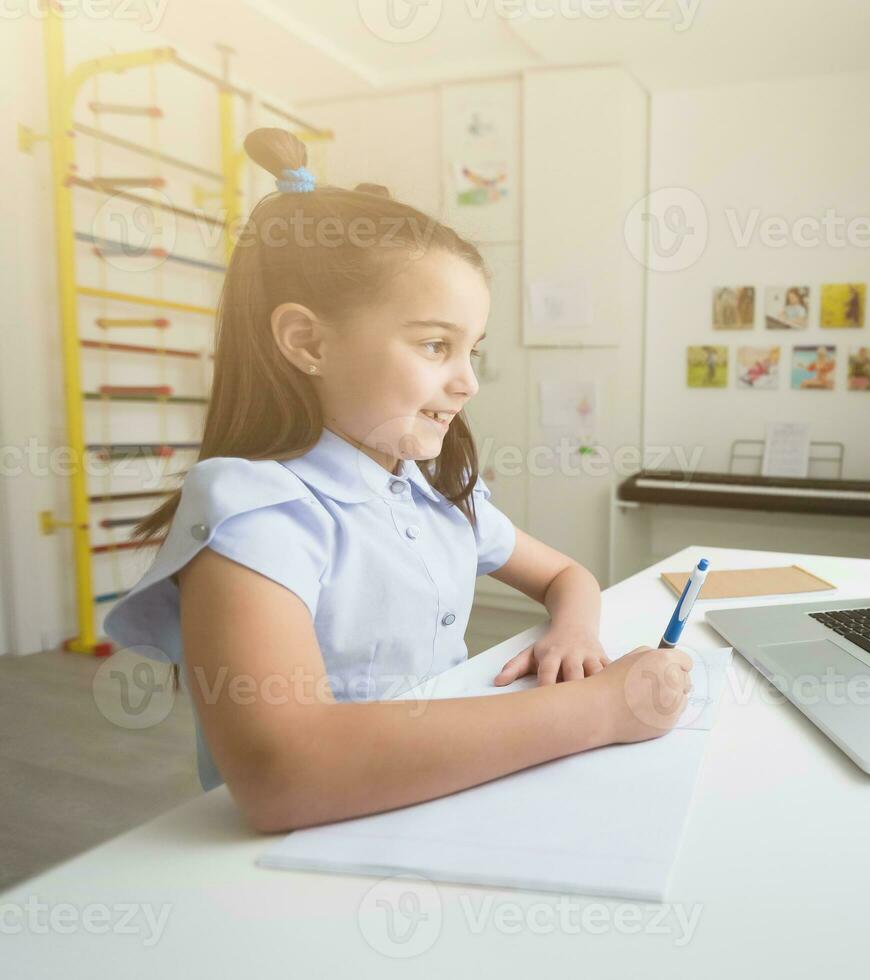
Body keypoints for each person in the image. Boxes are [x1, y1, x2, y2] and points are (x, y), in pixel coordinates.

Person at [102, 128, 690, 833]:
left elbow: (568, 575)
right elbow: (284, 775)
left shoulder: (436, 492)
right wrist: (601, 709)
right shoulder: (257, 514)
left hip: (442, 803)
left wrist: (573, 630)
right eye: (436, 344)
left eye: (473, 350)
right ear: (309, 343)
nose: (467, 381)